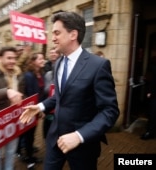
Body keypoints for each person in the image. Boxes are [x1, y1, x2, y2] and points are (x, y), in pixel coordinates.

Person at [19, 11, 119, 170]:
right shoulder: (58, 63)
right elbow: (61, 97)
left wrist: (79, 136)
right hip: (55, 139)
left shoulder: (98, 66)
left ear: (73, 34)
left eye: (57, 33)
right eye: (52, 33)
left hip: (83, 146)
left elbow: (110, 111)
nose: (52, 38)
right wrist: (40, 106)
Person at [21, 52, 46, 169]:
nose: (43, 60)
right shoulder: (29, 76)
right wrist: (39, 109)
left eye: (43, 58)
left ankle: (28, 152)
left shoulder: (41, 74)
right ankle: (28, 159)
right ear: (33, 61)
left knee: (33, 132)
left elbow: (42, 92)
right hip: (31, 109)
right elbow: (31, 95)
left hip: (38, 107)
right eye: (40, 58)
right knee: (29, 134)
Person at [141, 57, 156, 140]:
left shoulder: (153, 67)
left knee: (152, 114)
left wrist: (150, 92)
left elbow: (152, 80)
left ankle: (150, 132)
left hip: (154, 95)